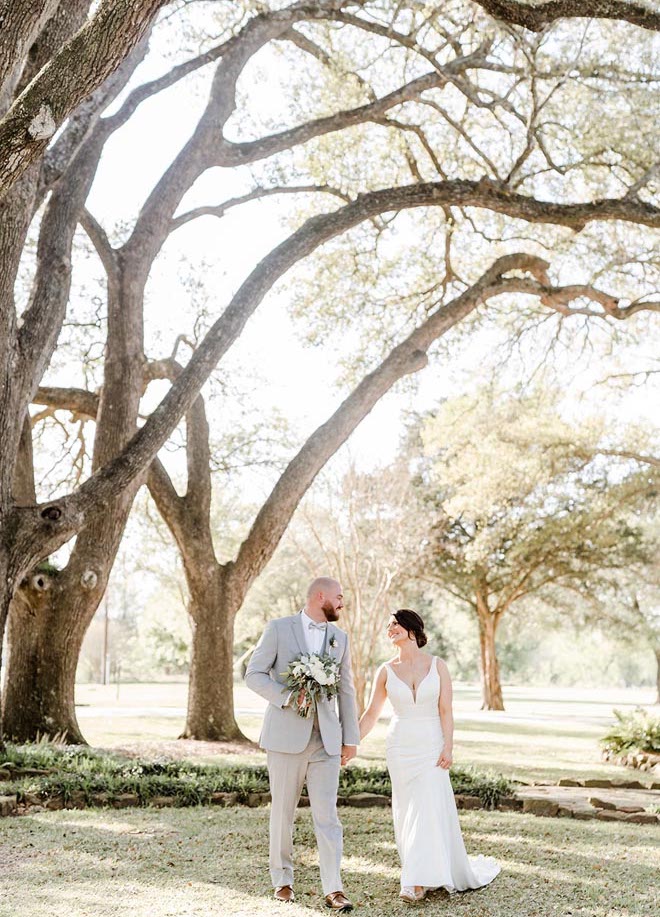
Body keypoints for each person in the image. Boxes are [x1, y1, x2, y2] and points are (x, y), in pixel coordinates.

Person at [359, 609, 500, 903]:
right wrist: (350, 743)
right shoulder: (385, 670)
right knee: (408, 809)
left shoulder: (438, 666)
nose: (390, 629)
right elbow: (372, 713)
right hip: (400, 746)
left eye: (395, 624)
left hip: (431, 744)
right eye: (389, 626)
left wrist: (448, 746)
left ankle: (417, 880)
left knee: (428, 806)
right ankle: (417, 874)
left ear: (412, 629)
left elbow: (446, 710)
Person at [245, 577, 360, 912]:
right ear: (319, 596)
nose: (341, 603)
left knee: (328, 817)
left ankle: (334, 889)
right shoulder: (279, 629)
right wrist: (286, 698)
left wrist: (349, 738)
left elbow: (346, 692)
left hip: (326, 741)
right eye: (339, 597)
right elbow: (254, 674)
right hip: (284, 739)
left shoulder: (340, 638)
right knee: (283, 813)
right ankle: (282, 880)